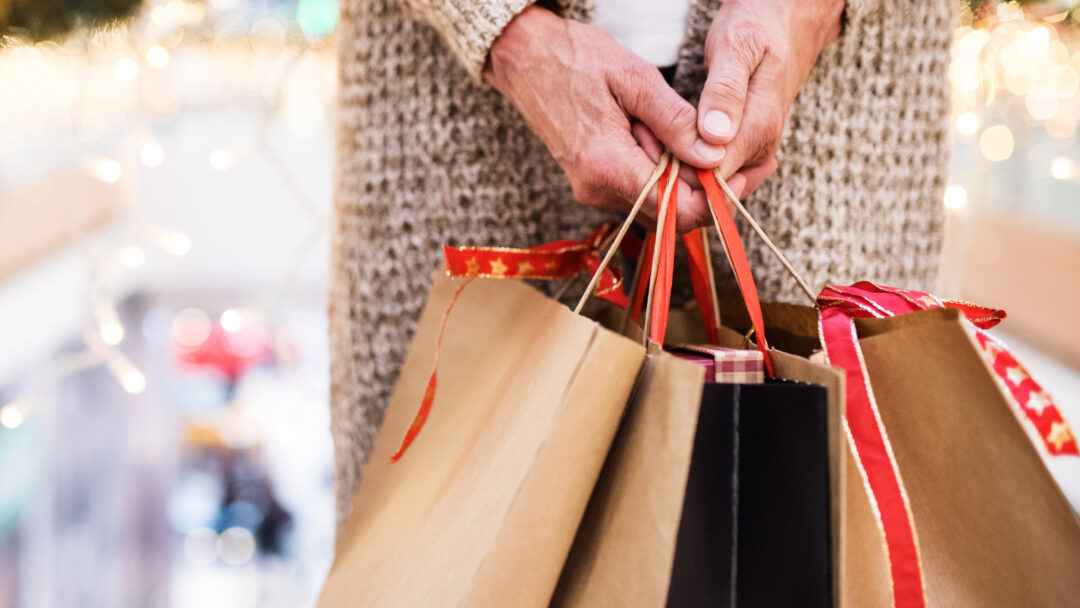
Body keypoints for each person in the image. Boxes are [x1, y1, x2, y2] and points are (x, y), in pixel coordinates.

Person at [329, 0, 952, 529]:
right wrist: (501, 29)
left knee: (809, 532)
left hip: (835, 121)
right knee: (451, 539)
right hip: (461, 129)